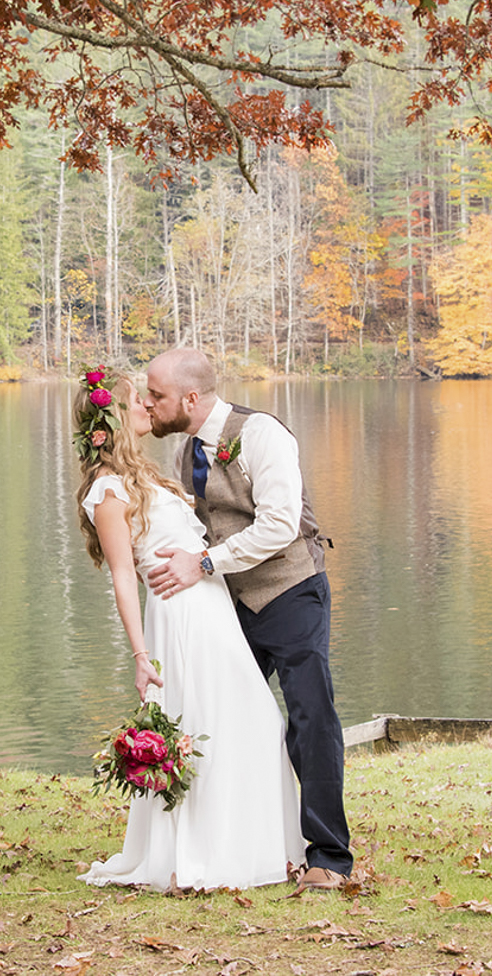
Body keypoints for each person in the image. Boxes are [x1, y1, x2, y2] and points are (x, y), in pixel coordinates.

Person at [74, 368, 303, 891]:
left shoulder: (150, 475)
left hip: (212, 605)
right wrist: (140, 655)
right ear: (112, 419)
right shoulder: (108, 491)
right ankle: (192, 856)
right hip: (179, 616)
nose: (149, 409)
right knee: (203, 725)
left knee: (252, 720)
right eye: (138, 402)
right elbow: (124, 576)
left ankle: (258, 848)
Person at [142, 347, 354, 890]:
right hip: (226, 604)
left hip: (291, 591)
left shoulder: (262, 435)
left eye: (157, 395)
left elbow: (281, 523)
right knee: (226, 718)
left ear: (190, 398)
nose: (150, 404)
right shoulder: (184, 451)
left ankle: (329, 857)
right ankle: (233, 847)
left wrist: (205, 562)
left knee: (311, 719)